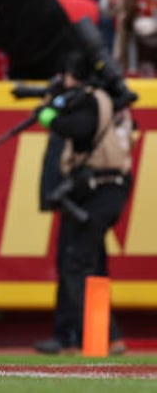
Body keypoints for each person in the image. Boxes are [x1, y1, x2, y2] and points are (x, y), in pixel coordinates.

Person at [33, 51, 133, 355]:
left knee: (76, 265)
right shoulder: (104, 98)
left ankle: (106, 336)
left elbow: (76, 128)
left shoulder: (92, 100)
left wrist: (47, 114)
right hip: (92, 190)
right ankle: (77, 335)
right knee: (88, 261)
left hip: (100, 190)